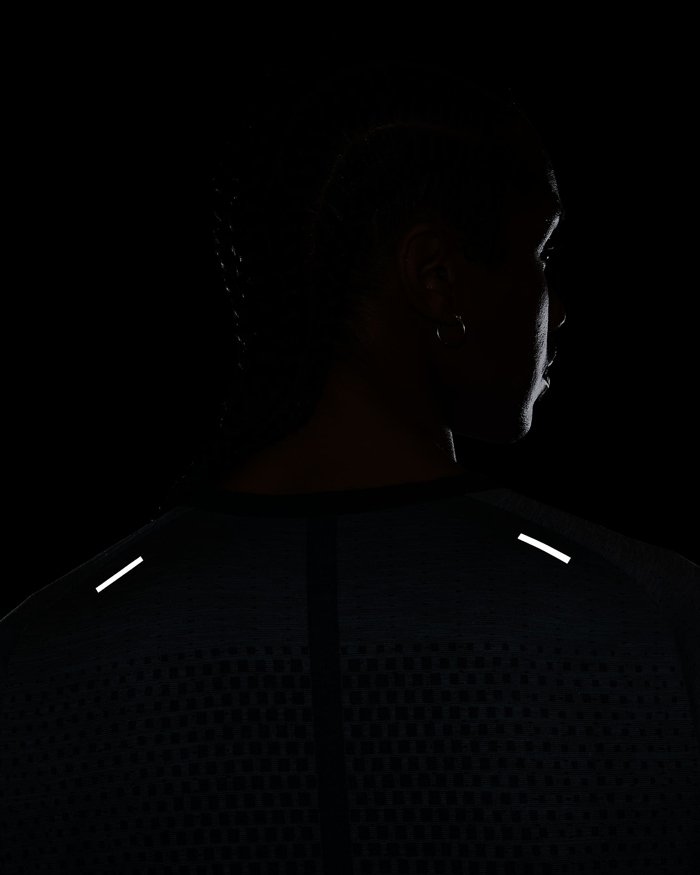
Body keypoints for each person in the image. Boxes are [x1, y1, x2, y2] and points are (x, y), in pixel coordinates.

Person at [1, 60, 698, 873]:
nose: (558, 304)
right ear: (436, 277)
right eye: (538, 251)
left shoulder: (42, 648)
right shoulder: (647, 615)